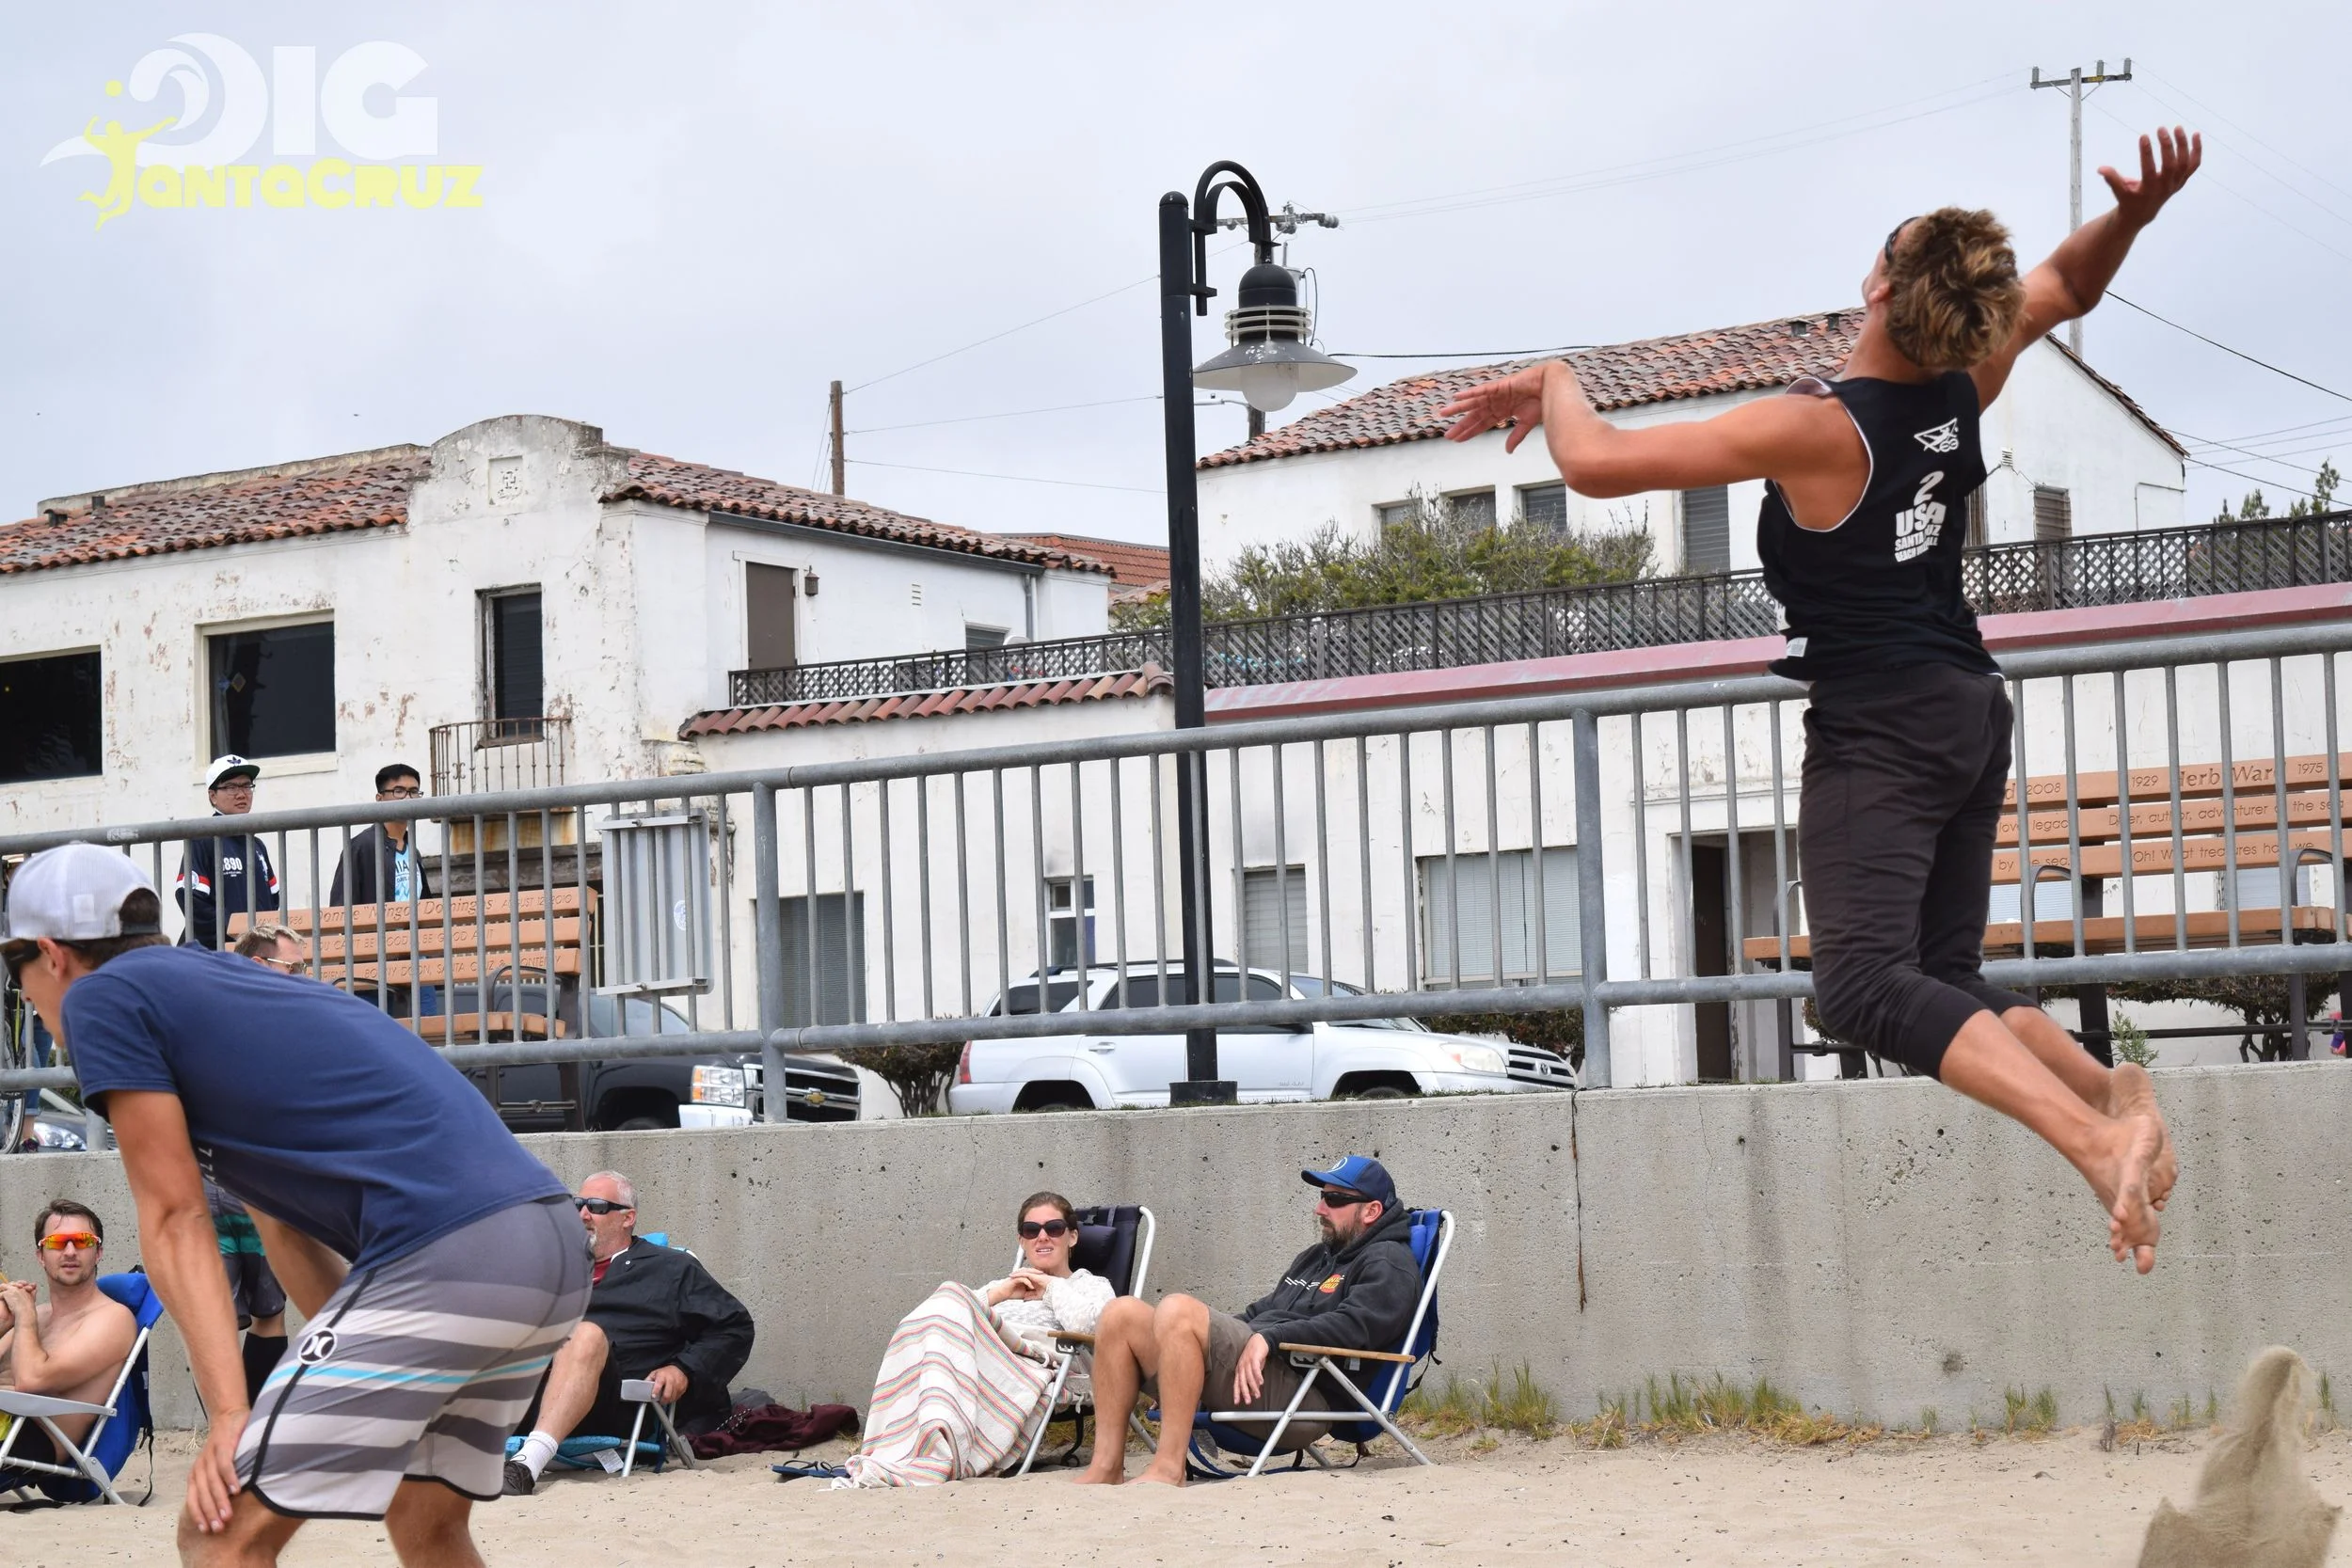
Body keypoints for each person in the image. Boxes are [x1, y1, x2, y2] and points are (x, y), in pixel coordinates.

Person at [1438, 129, 2203, 1276]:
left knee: (1855, 984)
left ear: (1878, 288)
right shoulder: (1966, 383)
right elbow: (2068, 281)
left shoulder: (1818, 426)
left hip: (1882, 721)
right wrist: (2134, 213)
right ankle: (2110, 1086)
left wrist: (1556, 377)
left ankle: (2094, 1142)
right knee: (1935, 974)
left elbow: (1593, 466)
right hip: (1965, 703)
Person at [1, 843, 585, 1565]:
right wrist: (360, 1360)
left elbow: (173, 1216)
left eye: (19, 982)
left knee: (218, 1532)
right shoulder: (228, 990)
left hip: (446, 1252)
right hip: (548, 1241)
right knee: (425, 1520)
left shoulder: (103, 995)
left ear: (53, 955)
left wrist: (229, 1416)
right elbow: (277, 1222)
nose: (35, 1008)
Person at [1077, 1156, 1418, 1487]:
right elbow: (1260, 1312)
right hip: (1258, 1379)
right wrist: (1178, 1355)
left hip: (1306, 1395)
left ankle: (1169, 1468)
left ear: (1371, 1211)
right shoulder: (1316, 1258)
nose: (1319, 1209)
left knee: (1177, 1309)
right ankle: (1106, 1466)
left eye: (1334, 1199)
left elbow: (1356, 1327)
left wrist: (1269, 1338)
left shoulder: (1389, 1261)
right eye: (1321, 1197)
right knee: (1120, 1313)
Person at [841, 1190, 1115, 1487]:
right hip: (983, 1357)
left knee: (952, 1293)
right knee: (950, 1297)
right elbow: (946, 1312)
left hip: (1040, 1361)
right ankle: (928, 1447)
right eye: (1031, 1230)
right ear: (1021, 1240)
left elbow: (1095, 1326)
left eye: (1054, 1228)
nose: (1043, 1237)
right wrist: (999, 1294)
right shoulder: (1006, 1286)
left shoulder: (1088, 1284)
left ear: (1072, 1237)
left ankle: (939, 1451)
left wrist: (1050, 1288)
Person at [504, 1172, 754, 1496]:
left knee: (585, 1335)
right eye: (577, 1204)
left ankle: (526, 1466)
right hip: (529, 1396)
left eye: (596, 1206)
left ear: (627, 1218)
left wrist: (684, 1369)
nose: (582, 1214)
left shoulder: (670, 1270)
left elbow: (733, 1326)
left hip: (612, 1406)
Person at [204, 925, 310, 1404]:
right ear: (259, 966)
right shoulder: (242, 1019)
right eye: (296, 968)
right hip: (232, 1188)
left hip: (247, 1187)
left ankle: (243, 1439)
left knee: (254, 1315)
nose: (305, 977)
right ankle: (234, 1440)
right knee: (237, 1319)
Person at [0, 1200, 138, 1473]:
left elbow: (30, 1381)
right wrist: (3, 1325)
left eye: (83, 1241)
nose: (70, 1252)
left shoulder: (113, 1319)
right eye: (57, 1242)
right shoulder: (37, 1315)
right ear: (41, 1255)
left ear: (98, 1252)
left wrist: (24, 1316)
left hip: (29, 1440)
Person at [176, 756, 280, 951]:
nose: (241, 794)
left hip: (252, 954)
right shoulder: (203, 839)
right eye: (231, 787)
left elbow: (273, 901)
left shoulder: (257, 845)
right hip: (214, 956)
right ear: (213, 796)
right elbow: (191, 899)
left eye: (247, 786)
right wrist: (235, 935)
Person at [328, 764, 435, 908]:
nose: (408, 798)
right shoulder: (361, 846)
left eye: (414, 791)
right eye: (399, 791)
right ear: (380, 798)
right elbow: (340, 907)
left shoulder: (413, 850)